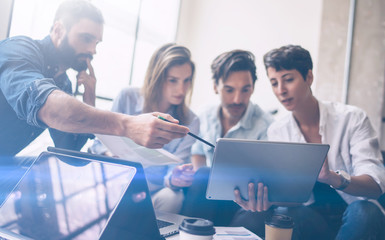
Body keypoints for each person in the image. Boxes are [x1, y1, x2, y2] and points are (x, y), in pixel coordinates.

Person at [0, 0, 189, 157]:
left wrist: (89, 99)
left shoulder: (63, 82)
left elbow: (68, 150)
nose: (93, 50)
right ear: (58, 29)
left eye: (96, 42)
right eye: (86, 38)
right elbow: (46, 106)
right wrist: (128, 125)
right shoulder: (18, 49)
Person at [233, 45, 385, 240]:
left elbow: (376, 185)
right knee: (284, 213)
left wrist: (334, 178)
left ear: (309, 77)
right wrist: (264, 199)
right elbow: (289, 195)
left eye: (288, 80)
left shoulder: (352, 118)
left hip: (358, 217)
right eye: (274, 83)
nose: (281, 90)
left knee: (364, 210)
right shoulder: (278, 131)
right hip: (313, 222)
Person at [90, 43, 199, 213]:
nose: (182, 89)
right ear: (157, 77)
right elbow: (98, 143)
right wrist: (110, 154)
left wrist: (176, 178)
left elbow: (172, 171)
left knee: (173, 196)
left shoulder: (191, 121)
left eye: (187, 80)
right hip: (118, 181)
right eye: (173, 80)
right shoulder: (127, 97)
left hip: (153, 190)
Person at [181, 50, 273, 224]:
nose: (238, 99)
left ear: (253, 88)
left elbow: (268, 180)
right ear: (215, 87)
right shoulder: (202, 116)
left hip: (246, 202)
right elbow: (198, 159)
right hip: (208, 194)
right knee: (203, 175)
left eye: (245, 90)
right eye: (229, 90)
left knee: (257, 212)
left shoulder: (267, 125)